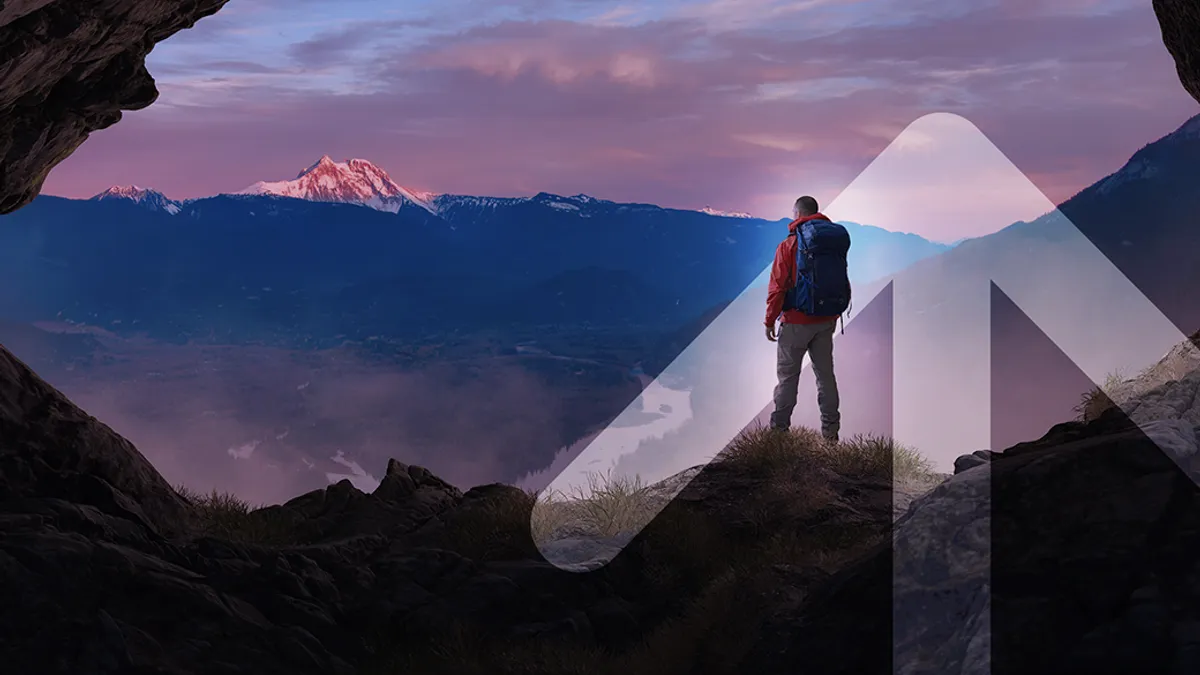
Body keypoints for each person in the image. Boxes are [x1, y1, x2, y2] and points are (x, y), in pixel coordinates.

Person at [764, 195, 847, 443]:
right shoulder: (832, 242)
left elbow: (777, 288)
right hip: (825, 319)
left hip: (795, 322)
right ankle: (831, 435)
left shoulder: (789, 245)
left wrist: (769, 321)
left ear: (797, 214)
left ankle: (779, 435)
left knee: (788, 379)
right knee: (826, 376)